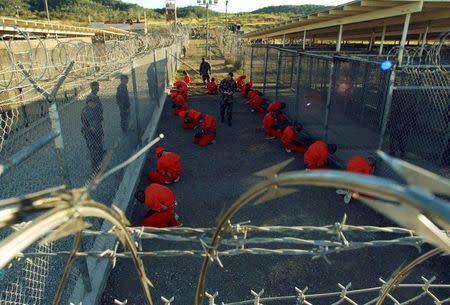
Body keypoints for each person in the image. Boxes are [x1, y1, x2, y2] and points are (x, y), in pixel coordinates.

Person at [81, 81, 105, 172]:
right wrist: (99, 136)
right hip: (91, 135)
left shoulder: (93, 109)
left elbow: (97, 123)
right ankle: (95, 169)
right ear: (89, 102)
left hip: (96, 132)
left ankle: (99, 164)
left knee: (98, 149)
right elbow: (92, 126)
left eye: (95, 102)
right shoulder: (87, 112)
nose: (95, 104)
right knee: (94, 152)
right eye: (93, 102)